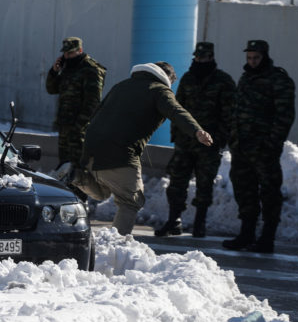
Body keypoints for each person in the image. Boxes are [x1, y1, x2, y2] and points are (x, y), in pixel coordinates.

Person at [74, 61, 213, 235]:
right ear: (168, 78)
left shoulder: (121, 85)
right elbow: (177, 111)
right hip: (120, 152)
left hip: (91, 149)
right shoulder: (159, 90)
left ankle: (76, 176)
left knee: (102, 192)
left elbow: (96, 113)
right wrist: (196, 131)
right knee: (131, 201)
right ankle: (115, 246)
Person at [155, 42, 236, 238]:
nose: (200, 60)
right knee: (176, 183)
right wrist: (176, 134)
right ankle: (174, 221)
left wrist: (220, 139)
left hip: (209, 143)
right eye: (198, 57)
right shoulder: (188, 78)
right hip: (185, 141)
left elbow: (230, 113)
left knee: (204, 184)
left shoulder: (223, 81)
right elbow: (177, 108)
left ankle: (200, 223)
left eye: (204, 57)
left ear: (211, 57)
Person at [224, 40, 295, 253]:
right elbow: (237, 110)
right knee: (244, 190)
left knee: (270, 191)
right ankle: (246, 233)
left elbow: (285, 115)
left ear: (264, 56)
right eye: (249, 58)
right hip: (242, 147)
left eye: (256, 58)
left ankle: (267, 237)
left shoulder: (278, 80)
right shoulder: (245, 78)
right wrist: (234, 138)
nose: (252, 62)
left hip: (264, 148)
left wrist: (272, 143)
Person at [45, 37, 106, 188]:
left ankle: (80, 199)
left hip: (80, 128)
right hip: (65, 126)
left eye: (71, 53)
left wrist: (79, 126)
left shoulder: (91, 69)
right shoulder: (68, 68)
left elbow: (93, 103)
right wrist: (54, 71)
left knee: (79, 168)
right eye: (65, 53)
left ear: (80, 50)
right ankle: (65, 197)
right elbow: (52, 89)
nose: (67, 56)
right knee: (65, 166)